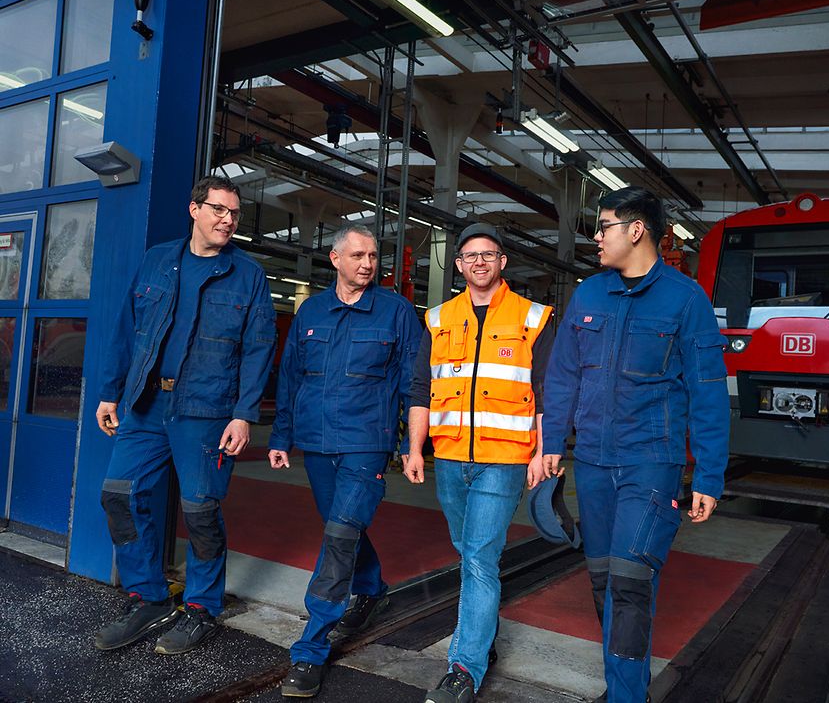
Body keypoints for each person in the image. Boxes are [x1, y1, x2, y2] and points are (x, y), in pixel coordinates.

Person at [541, 187, 729, 703]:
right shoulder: (589, 294)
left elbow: (708, 393)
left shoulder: (686, 300)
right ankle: (626, 682)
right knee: (603, 581)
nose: (597, 238)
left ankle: (627, 696)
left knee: (629, 581)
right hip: (595, 464)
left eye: (604, 227)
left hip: (651, 464)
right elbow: (563, 376)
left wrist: (709, 476)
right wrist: (551, 442)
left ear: (636, 230)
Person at [94, 175, 276, 655]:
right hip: (146, 403)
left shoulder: (248, 275)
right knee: (118, 495)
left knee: (200, 511)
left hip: (208, 410)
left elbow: (260, 349)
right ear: (194, 209)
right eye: (218, 209)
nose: (227, 220)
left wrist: (243, 414)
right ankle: (149, 595)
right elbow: (126, 330)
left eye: (234, 213)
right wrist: (111, 392)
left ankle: (201, 607)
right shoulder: (158, 259)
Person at [268, 224, 421, 698]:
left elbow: (413, 385)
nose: (368, 264)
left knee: (338, 537)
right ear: (334, 258)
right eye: (358, 255)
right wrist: (282, 435)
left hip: (366, 443)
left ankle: (310, 648)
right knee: (341, 527)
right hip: (315, 441)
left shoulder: (396, 312)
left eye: (373, 256)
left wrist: (411, 446)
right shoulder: (311, 310)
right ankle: (372, 586)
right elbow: (290, 377)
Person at [405, 223, 554, 703]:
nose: (479, 263)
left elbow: (549, 394)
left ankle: (463, 668)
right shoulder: (437, 319)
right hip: (449, 457)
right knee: (469, 553)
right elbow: (419, 391)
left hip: (505, 458)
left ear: (502, 261)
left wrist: (543, 452)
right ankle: (483, 637)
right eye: (470, 256)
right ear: (459, 265)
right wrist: (414, 448)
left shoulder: (533, 317)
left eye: (488, 255)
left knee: (478, 559)